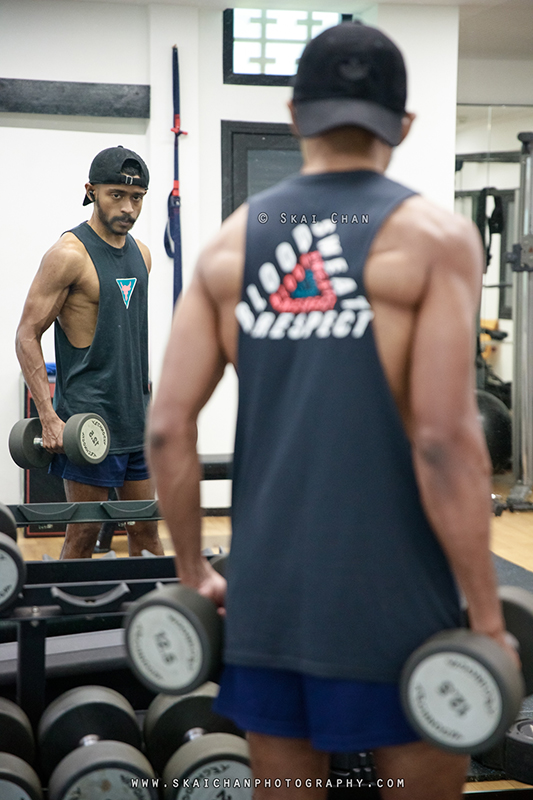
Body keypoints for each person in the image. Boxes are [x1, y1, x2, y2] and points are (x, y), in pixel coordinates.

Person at [147, 23, 518, 800]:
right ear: (404, 125)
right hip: (397, 599)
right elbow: (446, 441)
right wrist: (486, 620)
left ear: (293, 114)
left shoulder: (225, 250)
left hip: (267, 596)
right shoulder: (433, 239)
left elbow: (166, 427)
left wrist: (191, 572)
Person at [16, 146, 164, 559]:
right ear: (91, 191)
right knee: (83, 535)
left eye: (137, 198)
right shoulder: (68, 255)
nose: (128, 207)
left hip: (135, 420)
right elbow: (26, 334)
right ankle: (68, 625)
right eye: (116, 194)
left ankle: (144, 621)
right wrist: (48, 418)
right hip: (88, 424)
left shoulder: (143, 255)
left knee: (147, 533)